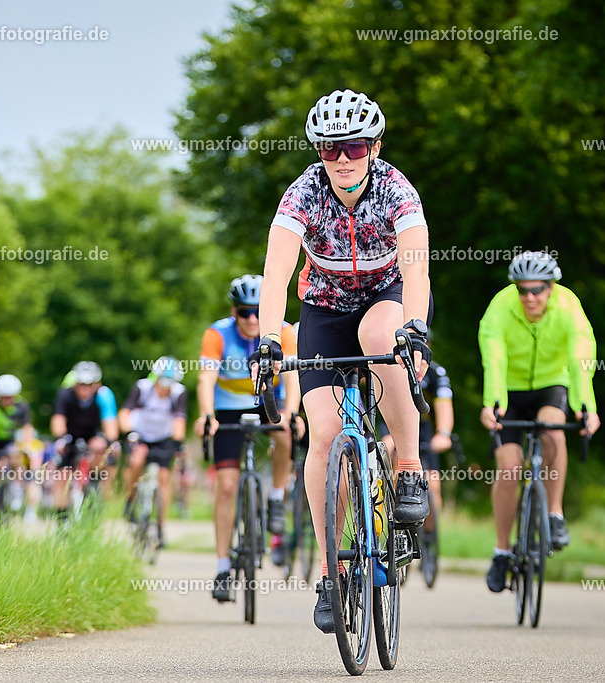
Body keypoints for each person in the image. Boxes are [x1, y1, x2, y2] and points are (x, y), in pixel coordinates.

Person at [252, 89, 433, 633]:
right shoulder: (302, 194)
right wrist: (267, 341)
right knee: (324, 436)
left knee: (382, 333)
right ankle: (332, 572)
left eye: (354, 146)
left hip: (390, 295)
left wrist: (416, 330)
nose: (343, 159)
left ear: (374, 146)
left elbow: (418, 270)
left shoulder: (398, 191)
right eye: (330, 149)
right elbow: (277, 275)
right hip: (324, 308)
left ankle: (407, 466)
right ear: (318, 153)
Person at [479, 251, 600, 593]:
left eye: (538, 289)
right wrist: (493, 404)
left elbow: (581, 354)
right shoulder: (500, 308)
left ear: (552, 287)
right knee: (509, 468)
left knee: (553, 432)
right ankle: (502, 551)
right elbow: (494, 357)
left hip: (551, 382)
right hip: (510, 387)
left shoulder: (568, 307)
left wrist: (585, 406)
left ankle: (555, 513)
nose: (530, 297)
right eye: (523, 290)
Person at [194, 274, 302, 603]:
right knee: (226, 487)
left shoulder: (282, 331)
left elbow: (294, 376)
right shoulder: (217, 334)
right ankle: (223, 566)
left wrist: (294, 413)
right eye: (244, 312)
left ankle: (276, 497)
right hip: (227, 407)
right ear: (233, 312)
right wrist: (207, 415)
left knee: (284, 429)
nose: (252, 319)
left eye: (257, 311)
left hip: (269, 400)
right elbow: (205, 379)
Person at [380, 340, 455, 540]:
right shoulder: (389, 365)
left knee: (433, 483)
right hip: (392, 425)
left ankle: (429, 534)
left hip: (423, 430)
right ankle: (390, 510)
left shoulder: (435, 373)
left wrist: (444, 434)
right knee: (389, 451)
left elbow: (444, 404)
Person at [119, 355, 189, 548]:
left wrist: (177, 444)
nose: (165, 388)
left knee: (164, 478)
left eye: (169, 384)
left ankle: (160, 526)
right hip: (139, 433)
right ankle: (130, 498)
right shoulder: (142, 388)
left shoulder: (179, 393)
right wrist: (130, 433)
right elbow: (124, 414)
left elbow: (179, 421)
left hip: (163, 438)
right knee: (136, 461)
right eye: (162, 383)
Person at [50, 361, 120, 520]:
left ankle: (94, 488)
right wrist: (60, 439)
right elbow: (58, 420)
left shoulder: (104, 395)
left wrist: (111, 442)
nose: (85, 388)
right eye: (81, 384)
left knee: (99, 447)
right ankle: (62, 519)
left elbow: (110, 423)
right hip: (70, 436)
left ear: (96, 384)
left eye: (89, 384)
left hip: (92, 436)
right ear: (75, 383)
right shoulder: (65, 394)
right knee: (63, 475)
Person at [0, 374, 35, 520]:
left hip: (11, 442)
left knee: (17, 455)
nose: (7, 400)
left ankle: (17, 487)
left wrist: (27, 445)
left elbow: (27, 427)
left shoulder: (22, 406)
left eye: (10, 397)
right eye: (4, 397)